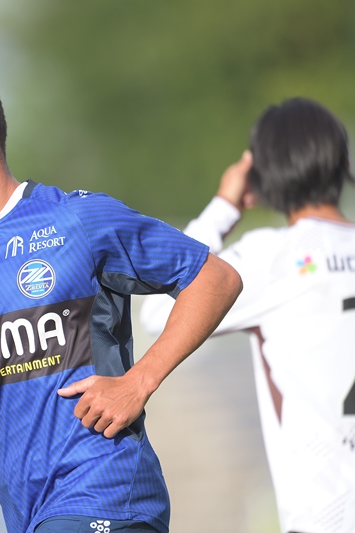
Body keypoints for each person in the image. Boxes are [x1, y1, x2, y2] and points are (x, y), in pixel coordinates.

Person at [0, 64, 242, 533]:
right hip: (30, 515)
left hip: (106, 492)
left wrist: (139, 381)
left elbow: (215, 278)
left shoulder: (77, 219)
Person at [139, 97, 355, 533]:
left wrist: (224, 208)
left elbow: (159, 309)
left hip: (325, 518)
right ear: (341, 164)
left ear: (263, 176)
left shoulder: (273, 257)